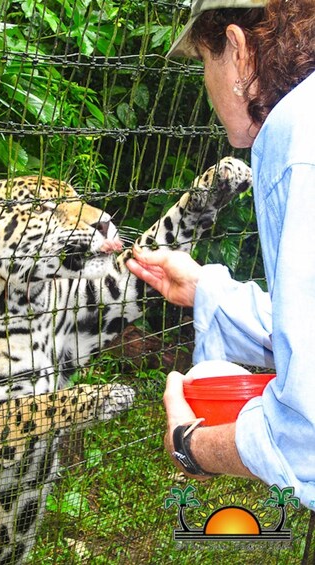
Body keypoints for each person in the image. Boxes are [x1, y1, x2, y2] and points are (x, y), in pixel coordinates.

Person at [127, 0, 315, 508]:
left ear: (236, 49)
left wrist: (192, 447)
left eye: (203, 62)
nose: (206, 83)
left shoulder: (297, 137)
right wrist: (207, 290)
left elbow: (309, 434)